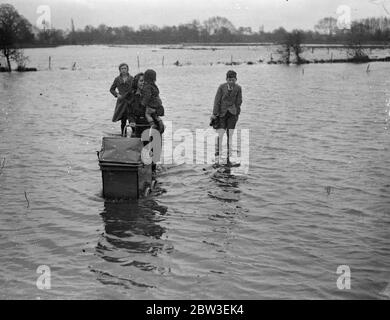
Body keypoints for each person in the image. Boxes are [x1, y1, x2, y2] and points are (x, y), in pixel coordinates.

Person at [210, 70, 242, 164]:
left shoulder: (238, 88)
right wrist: (214, 114)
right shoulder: (221, 87)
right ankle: (217, 153)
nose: (231, 82)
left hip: (232, 114)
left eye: (233, 80)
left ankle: (228, 156)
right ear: (226, 79)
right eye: (229, 80)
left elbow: (239, 101)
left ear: (236, 79)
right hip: (222, 113)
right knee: (220, 133)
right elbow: (217, 100)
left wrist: (237, 114)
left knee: (230, 134)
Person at [110, 63, 133, 136]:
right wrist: (117, 95)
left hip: (130, 101)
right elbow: (111, 89)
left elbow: (135, 89)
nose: (123, 70)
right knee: (123, 120)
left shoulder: (132, 78)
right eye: (122, 68)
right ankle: (123, 135)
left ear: (127, 69)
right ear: (119, 70)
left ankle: (135, 134)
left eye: (125, 68)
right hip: (121, 102)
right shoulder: (117, 79)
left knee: (131, 118)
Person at [141, 69, 164, 136]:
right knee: (155, 115)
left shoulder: (147, 86)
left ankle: (152, 124)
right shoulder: (154, 86)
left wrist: (143, 104)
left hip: (151, 104)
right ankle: (160, 122)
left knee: (147, 114)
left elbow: (147, 96)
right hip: (157, 104)